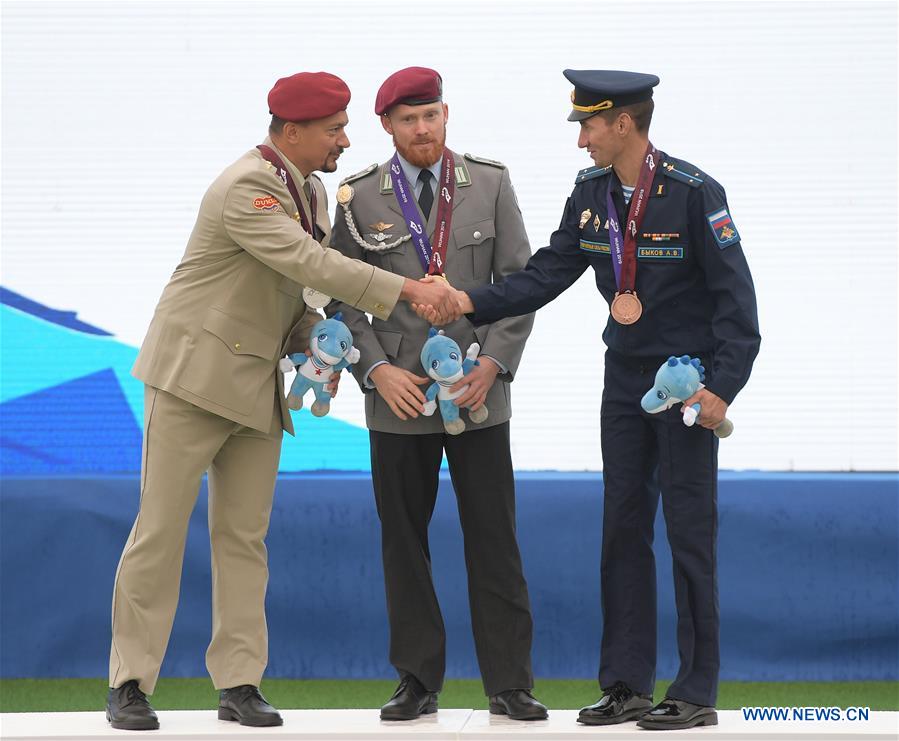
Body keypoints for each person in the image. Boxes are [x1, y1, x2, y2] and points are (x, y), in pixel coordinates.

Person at [105, 71, 458, 731]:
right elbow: (309, 263)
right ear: (292, 132)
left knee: (244, 539)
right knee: (159, 532)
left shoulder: (311, 190)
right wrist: (410, 291)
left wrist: (311, 344)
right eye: (334, 130)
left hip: (255, 385)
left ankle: (238, 684)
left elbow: (292, 290)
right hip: (191, 379)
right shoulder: (248, 186)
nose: (345, 141)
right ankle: (129, 682)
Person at [418, 69, 760, 731]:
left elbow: (736, 305)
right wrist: (466, 301)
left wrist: (722, 387)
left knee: (689, 534)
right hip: (624, 380)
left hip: (685, 385)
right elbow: (547, 273)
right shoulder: (590, 193)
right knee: (621, 528)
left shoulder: (694, 193)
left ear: (623, 123)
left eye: (589, 125)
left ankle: (694, 690)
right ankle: (626, 685)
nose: (581, 139)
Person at [327, 67, 547, 722]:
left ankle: (509, 684)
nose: (422, 129)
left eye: (430, 115)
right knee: (403, 540)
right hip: (397, 395)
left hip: (476, 390)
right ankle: (416, 680)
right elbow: (341, 295)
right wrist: (375, 371)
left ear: (446, 114)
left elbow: (519, 285)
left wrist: (494, 365)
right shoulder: (357, 197)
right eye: (408, 119)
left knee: (494, 537)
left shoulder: (491, 183)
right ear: (387, 126)